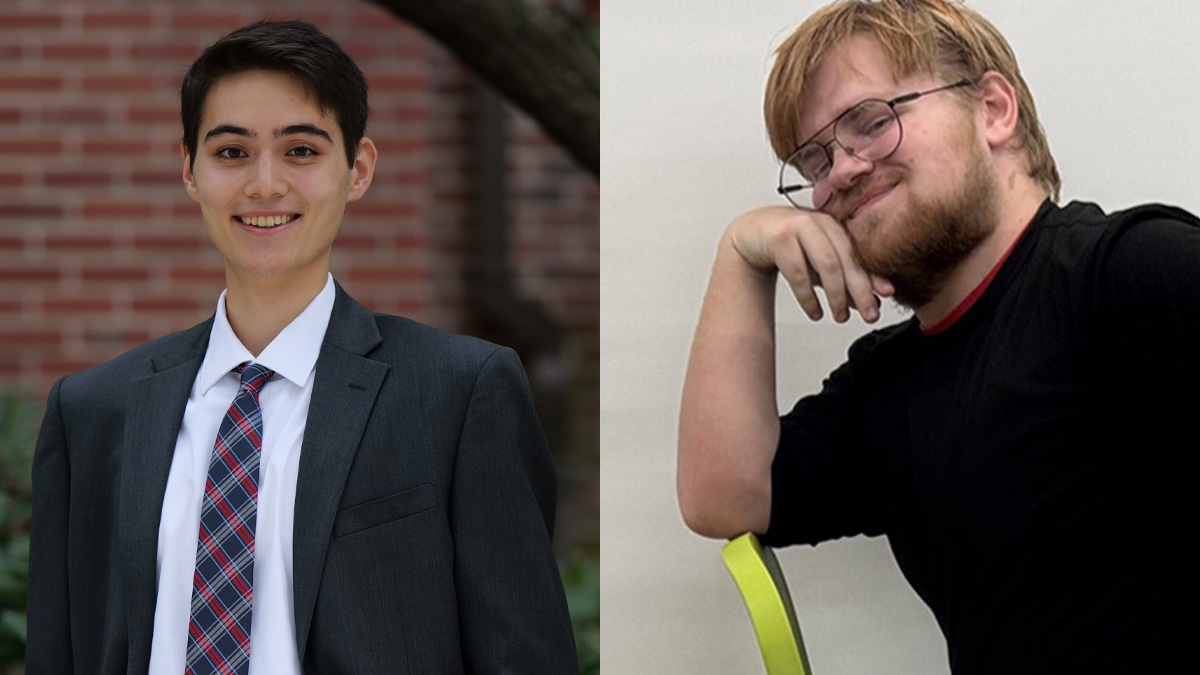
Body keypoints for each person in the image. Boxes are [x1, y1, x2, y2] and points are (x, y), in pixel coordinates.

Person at [27, 20, 577, 674]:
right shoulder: (91, 411)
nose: (265, 184)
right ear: (191, 172)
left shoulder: (458, 392)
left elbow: (523, 656)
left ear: (358, 170)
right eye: (231, 152)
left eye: (301, 151)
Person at [677, 0, 1199, 672]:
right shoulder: (888, 384)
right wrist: (740, 254)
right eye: (814, 162)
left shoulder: (1128, 274)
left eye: (871, 122)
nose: (841, 172)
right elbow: (722, 495)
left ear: (993, 111)